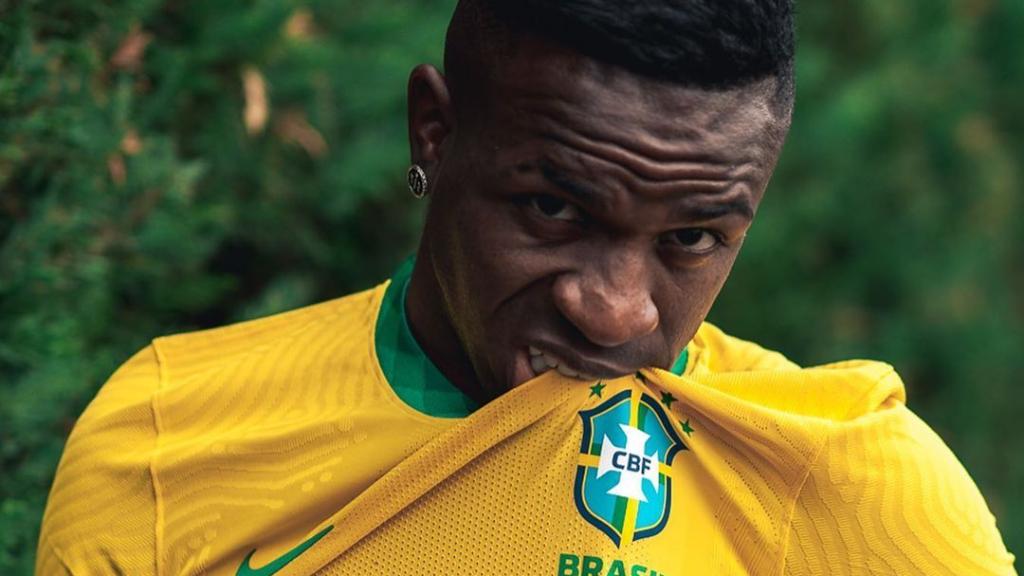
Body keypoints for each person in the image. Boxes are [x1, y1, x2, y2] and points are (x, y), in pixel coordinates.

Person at [36, 1, 1016, 574]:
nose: (619, 308)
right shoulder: (169, 441)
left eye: (691, 237)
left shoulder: (852, 486)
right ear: (435, 132)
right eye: (554, 211)